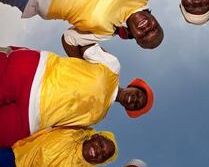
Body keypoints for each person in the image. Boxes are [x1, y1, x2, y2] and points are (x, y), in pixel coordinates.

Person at [0, 46, 154, 147]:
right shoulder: (113, 66)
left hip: (29, 121)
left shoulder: (98, 118)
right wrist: (79, 65)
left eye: (136, 105)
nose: (135, 100)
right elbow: (72, 39)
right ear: (132, 86)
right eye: (138, 95)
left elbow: (62, 129)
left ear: (128, 109)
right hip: (34, 74)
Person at [0, 0, 164, 53]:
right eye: (154, 29)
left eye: (144, 37)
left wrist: (85, 63)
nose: (147, 29)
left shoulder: (106, 32)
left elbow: (69, 39)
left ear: (134, 36)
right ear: (155, 19)